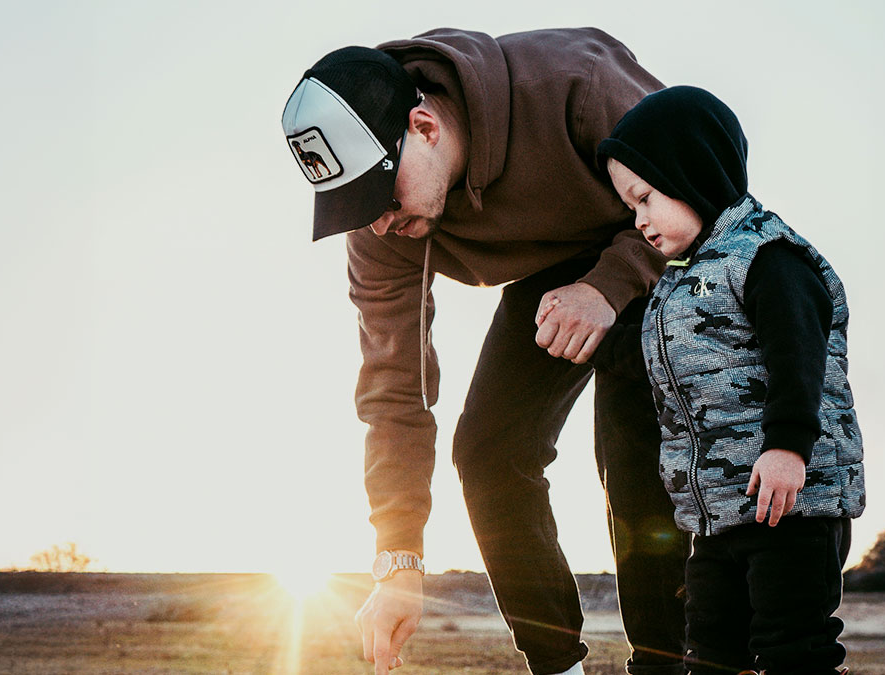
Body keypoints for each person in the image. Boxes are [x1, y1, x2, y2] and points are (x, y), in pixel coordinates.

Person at [279, 28, 688, 675]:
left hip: (662, 249)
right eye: (355, 207)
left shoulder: (574, 84)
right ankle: (558, 667)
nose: (380, 222)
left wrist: (609, 286)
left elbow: (700, 182)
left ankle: (674, 664)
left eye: (382, 196)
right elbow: (394, 391)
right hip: (552, 274)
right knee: (490, 451)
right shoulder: (381, 233)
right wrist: (398, 558)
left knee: (629, 438)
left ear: (424, 126)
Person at [589, 86, 865, 675]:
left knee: (793, 645)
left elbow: (800, 358)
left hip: (792, 504)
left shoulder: (767, 257)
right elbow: (655, 361)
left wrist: (788, 447)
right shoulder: (677, 283)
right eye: (629, 209)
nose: (638, 221)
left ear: (690, 172)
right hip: (716, 514)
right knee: (710, 651)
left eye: (644, 198)